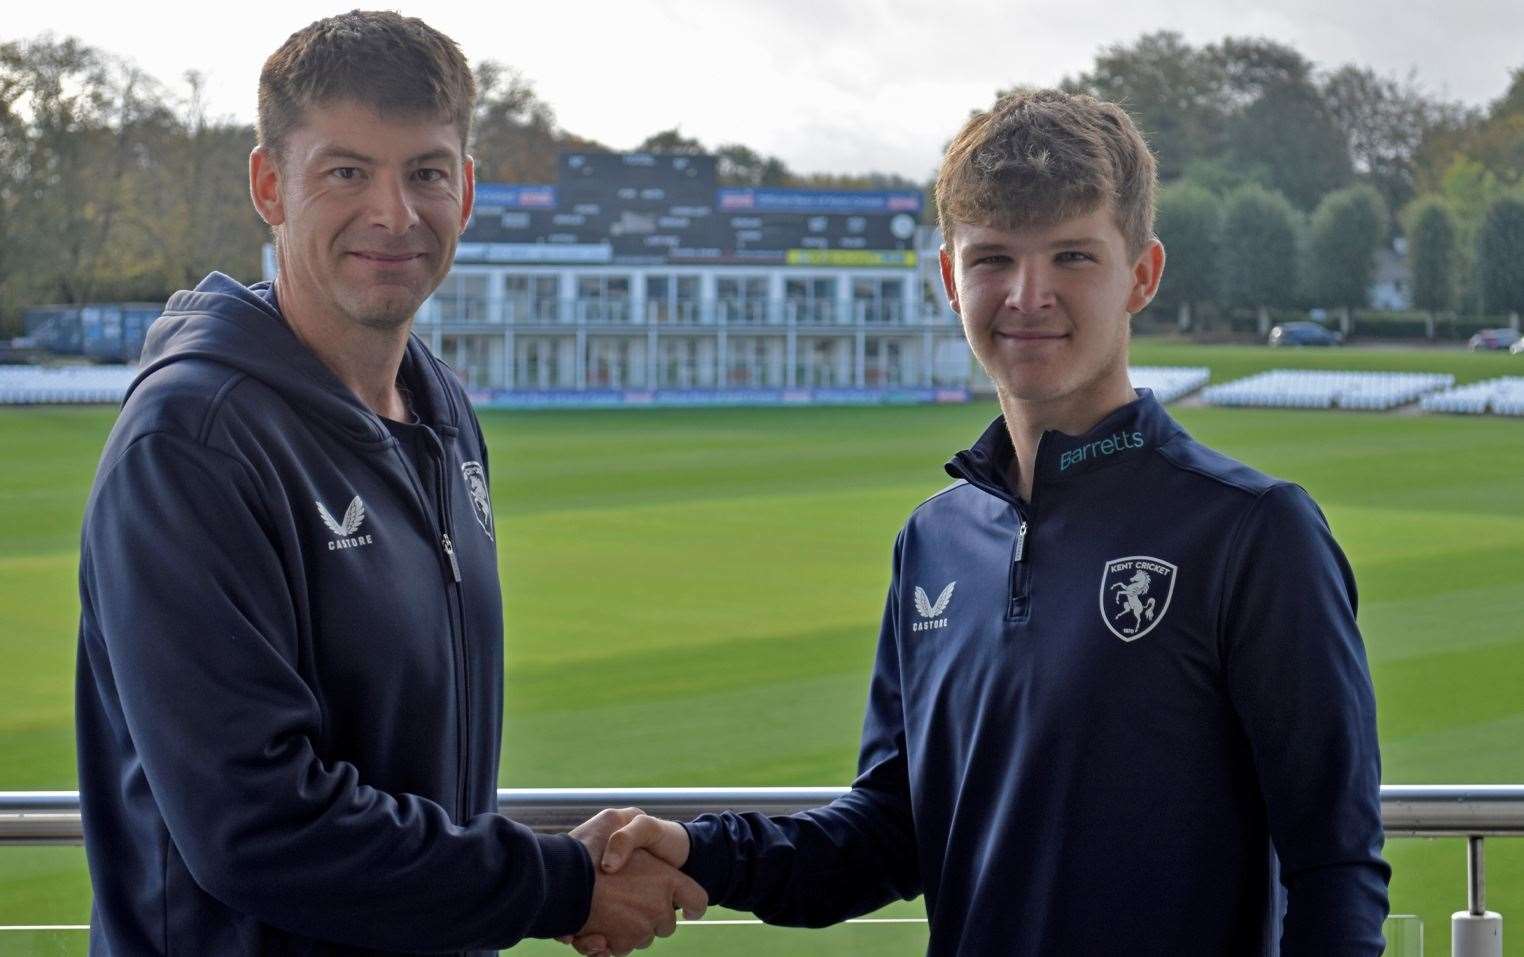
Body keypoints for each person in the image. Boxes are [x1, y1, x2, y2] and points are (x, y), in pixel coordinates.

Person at [580, 89, 1390, 956]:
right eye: (994, 258)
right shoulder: (932, 541)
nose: (1027, 295)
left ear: (1142, 275)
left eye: (1072, 255)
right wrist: (703, 848)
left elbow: (1336, 869)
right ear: (948, 278)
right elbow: (889, 834)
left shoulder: (1253, 533)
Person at [74, 12, 702, 954]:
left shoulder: (441, 408)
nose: (394, 213)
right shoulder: (193, 445)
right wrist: (560, 886)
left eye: (426, 172)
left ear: (469, 190)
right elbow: (257, 826)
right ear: (269, 186)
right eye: (346, 172)